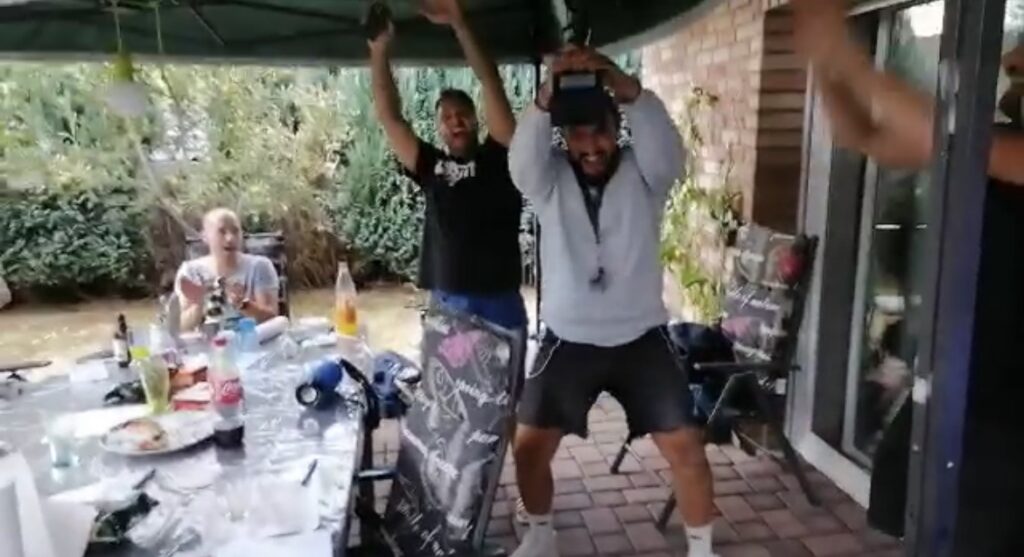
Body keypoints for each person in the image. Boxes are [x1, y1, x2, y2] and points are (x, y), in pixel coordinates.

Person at [793, 1, 1024, 553]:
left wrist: (842, 53)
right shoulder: (998, 143)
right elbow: (863, 136)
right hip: (967, 394)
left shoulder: (994, 149)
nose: (1010, 60)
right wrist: (822, 63)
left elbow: (948, 130)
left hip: (1010, 423)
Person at [507, 47, 717, 557]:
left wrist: (624, 85)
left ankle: (702, 550)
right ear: (564, 137)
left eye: (600, 132)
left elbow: (669, 151)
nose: (591, 146)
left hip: (641, 336)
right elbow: (519, 162)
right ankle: (540, 536)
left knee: (688, 448)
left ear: (617, 128)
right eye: (578, 135)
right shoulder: (548, 180)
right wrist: (546, 97)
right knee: (529, 446)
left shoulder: (648, 175)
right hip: (568, 338)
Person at [366, 0, 526, 335]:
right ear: (439, 128)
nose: (456, 122)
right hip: (449, 303)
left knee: (505, 373)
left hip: (500, 301)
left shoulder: (500, 154)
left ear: (476, 119)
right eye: (447, 118)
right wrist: (378, 51)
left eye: (462, 114)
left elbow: (490, 81)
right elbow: (390, 118)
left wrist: (459, 24)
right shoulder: (431, 165)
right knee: (448, 373)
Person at [175, 208, 280, 330]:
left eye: (235, 231)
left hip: (253, 338)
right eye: (222, 232)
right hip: (207, 340)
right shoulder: (190, 272)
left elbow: (272, 319)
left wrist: (243, 304)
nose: (230, 238)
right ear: (205, 236)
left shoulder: (260, 266)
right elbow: (181, 327)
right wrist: (199, 304)